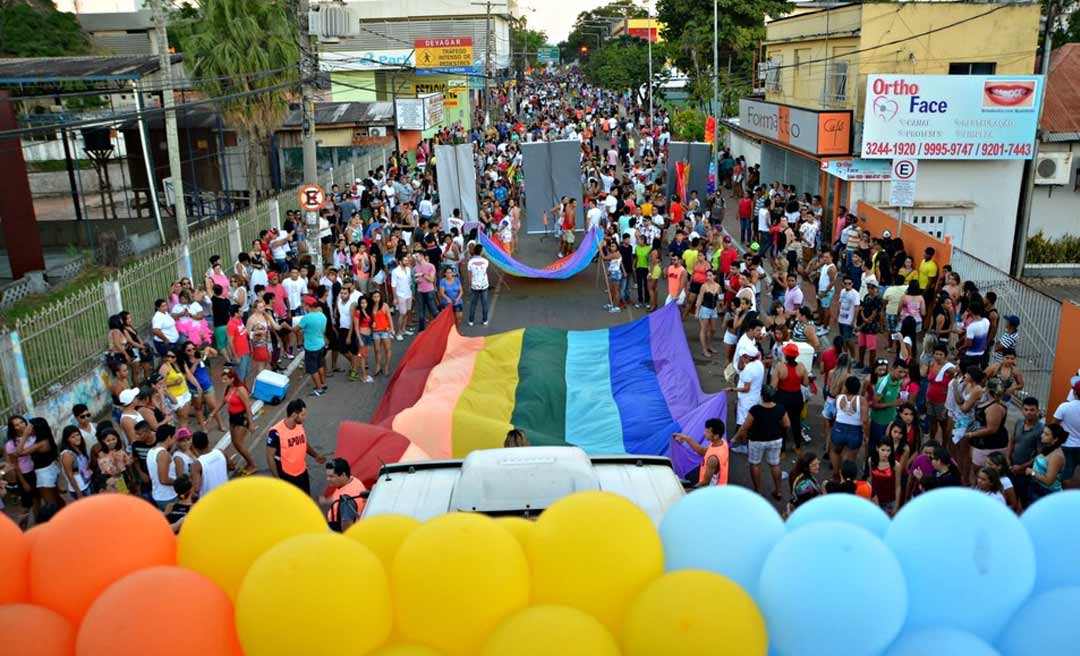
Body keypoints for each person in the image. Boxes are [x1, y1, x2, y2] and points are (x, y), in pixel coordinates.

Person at [732, 385, 788, 500]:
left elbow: (745, 427)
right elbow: (786, 424)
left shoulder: (755, 409)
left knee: (755, 464)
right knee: (775, 464)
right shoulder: (780, 408)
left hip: (757, 440)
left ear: (761, 396)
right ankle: (778, 491)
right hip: (775, 439)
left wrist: (735, 437)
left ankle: (758, 491)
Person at [265, 399, 326, 496]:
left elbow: (303, 443)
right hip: (286, 475)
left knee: (306, 498)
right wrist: (277, 480)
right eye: (302, 415)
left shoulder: (299, 425)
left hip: (302, 471)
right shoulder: (275, 432)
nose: (304, 418)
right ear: (294, 415)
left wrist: (315, 455)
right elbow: (270, 456)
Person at [771, 343, 809, 454]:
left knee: (782, 424)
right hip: (797, 397)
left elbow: (773, 386)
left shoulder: (780, 366)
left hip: (783, 397)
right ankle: (797, 447)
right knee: (796, 422)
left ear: (785, 354)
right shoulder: (801, 366)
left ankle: (782, 451)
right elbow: (806, 383)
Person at [674, 419, 729, 487]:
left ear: (716, 436)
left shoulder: (713, 459)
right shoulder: (722, 443)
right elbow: (702, 451)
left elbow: (705, 483)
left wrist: (691, 490)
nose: (704, 433)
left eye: (708, 432)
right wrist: (687, 439)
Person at [1009, 396, 1044, 506]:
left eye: (1032, 410)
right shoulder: (1019, 422)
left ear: (1038, 411)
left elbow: (1039, 455)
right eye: (1026, 409)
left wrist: (1021, 467)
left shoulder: (1041, 430)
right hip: (1012, 467)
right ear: (1022, 410)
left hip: (1026, 472)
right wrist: (1008, 459)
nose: (1029, 413)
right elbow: (1012, 441)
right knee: (1011, 496)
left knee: (1024, 499)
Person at [831, 375, 868, 475]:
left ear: (846, 387)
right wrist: (866, 435)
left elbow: (835, 413)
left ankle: (835, 474)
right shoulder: (862, 400)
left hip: (838, 428)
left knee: (835, 451)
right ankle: (846, 478)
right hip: (855, 431)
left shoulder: (839, 397)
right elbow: (864, 420)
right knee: (850, 459)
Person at [294, 296, 329, 397]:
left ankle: (319, 389)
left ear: (307, 306)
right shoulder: (322, 316)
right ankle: (323, 384)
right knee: (320, 365)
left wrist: (286, 326)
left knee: (313, 369)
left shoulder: (306, 318)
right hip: (320, 344)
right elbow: (323, 330)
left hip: (311, 347)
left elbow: (295, 329)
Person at [321, 458, 367, 531]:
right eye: (327, 476)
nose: (328, 479)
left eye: (331, 476)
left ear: (343, 475)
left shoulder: (346, 503)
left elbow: (347, 528)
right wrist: (326, 501)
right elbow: (338, 495)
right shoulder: (353, 480)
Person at [1026, 424, 1067, 503]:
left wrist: (1032, 472)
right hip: (1036, 485)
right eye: (1043, 433)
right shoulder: (1048, 447)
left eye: (1046, 434)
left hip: (1046, 492)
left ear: (1055, 439)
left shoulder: (1056, 456)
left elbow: (1048, 481)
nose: (1042, 436)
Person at [147, 424, 178, 511]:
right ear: (169, 437)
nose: (175, 440)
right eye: (174, 437)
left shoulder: (151, 451)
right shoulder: (163, 454)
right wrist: (179, 482)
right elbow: (164, 480)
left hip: (159, 494)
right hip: (168, 496)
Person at [192, 430, 230, 498]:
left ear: (194, 446)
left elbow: (196, 488)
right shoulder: (221, 452)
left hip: (209, 499)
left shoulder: (197, 464)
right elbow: (232, 466)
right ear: (208, 441)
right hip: (225, 492)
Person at [58, 425, 92, 499]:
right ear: (67, 439)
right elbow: (69, 475)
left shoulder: (79, 447)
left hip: (87, 483)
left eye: (78, 435)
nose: (77, 438)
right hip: (81, 488)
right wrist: (78, 493)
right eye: (73, 437)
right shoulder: (67, 454)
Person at [96, 428, 132, 494]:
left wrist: (129, 460)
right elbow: (107, 471)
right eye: (108, 440)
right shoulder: (101, 455)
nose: (111, 442)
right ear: (103, 441)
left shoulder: (120, 451)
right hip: (111, 481)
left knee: (125, 496)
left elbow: (127, 464)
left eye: (113, 439)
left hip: (121, 479)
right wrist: (114, 462)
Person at [695, 270, 722, 357]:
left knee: (713, 329)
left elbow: (720, 298)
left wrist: (720, 307)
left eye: (710, 276)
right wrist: (697, 311)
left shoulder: (718, 286)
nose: (708, 277)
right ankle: (704, 349)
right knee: (704, 329)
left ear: (714, 276)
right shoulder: (704, 286)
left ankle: (709, 345)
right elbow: (700, 299)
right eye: (707, 276)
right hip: (705, 309)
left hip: (713, 309)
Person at [370, 290, 395, 376]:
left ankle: (387, 366)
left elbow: (389, 317)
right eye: (375, 297)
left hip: (385, 330)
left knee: (387, 349)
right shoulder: (371, 306)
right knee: (377, 350)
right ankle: (378, 366)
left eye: (378, 296)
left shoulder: (384, 306)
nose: (376, 298)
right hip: (375, 331)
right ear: (372, 298)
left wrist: (392, 329)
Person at [467, 244, 491, 326]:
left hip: (474, 285)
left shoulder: (470, 262)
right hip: (484, 284)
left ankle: (471, 320)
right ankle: (485, 320)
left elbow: (469, 275)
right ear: (481, 251)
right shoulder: (486, 261)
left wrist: (469, 285)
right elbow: (485, 272)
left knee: (473, 303)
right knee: (484, 303)